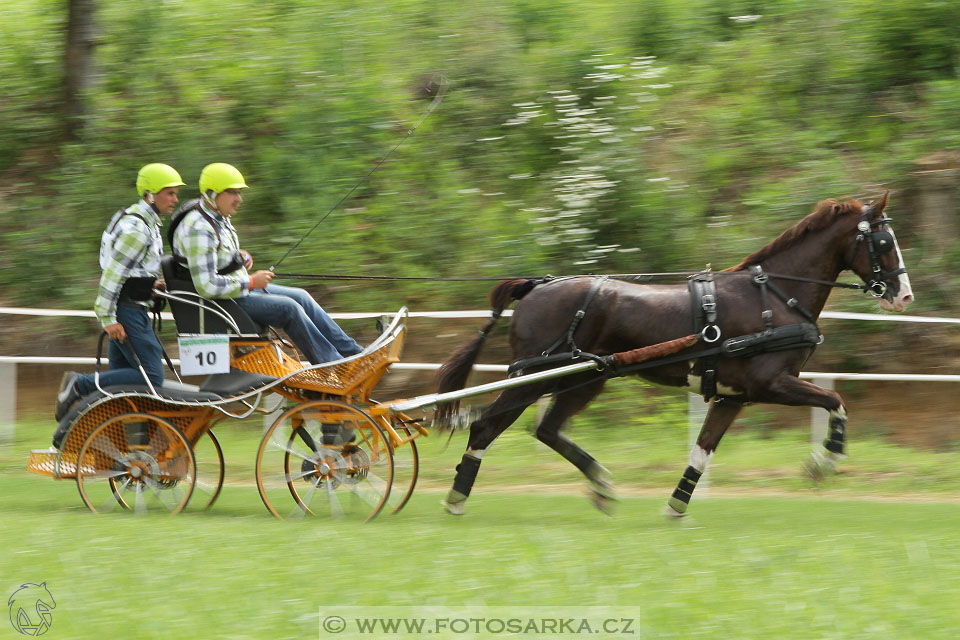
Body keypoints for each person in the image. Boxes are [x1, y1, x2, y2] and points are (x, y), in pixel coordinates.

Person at [170, 162, 362, 365]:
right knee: (289, 308)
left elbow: (213, 254)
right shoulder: (200, 228)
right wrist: (252, 282)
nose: (239, 199)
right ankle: (334, 364)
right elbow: (207, 286)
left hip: (235, 289)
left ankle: (354, 353)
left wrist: (238, 257)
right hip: (222, 302)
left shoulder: (216, 215)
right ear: (212, 194)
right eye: (233, 193)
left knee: (302, 296)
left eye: (239, 193)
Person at [54, 163, 186, 433]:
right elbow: (112, 275)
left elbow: (129, 271)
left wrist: (151, 285)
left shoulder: (136, 220)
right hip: (126, 313)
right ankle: (79, 384)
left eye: (175, 193)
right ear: (150, 194)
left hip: (129, 307)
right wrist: (107, 318)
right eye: (169, 193)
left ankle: (128, 448)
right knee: (152, 376)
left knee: (123, 389)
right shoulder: (137, 229)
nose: (175, 199)